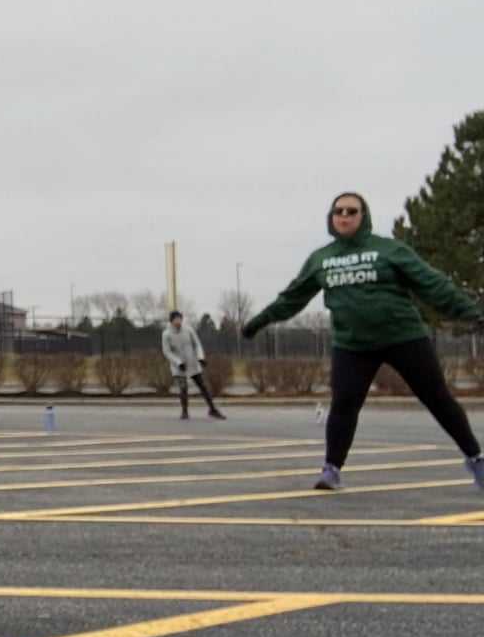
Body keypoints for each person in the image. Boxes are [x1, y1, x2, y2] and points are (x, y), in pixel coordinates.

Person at [243, 191, 484, 492]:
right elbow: (292, 297)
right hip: (352, 345)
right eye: (338, 211)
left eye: (351, 211)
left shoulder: (389, 250)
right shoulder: (322, 259)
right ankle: (331, 469)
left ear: (363, 216)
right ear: (331, 218)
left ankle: (475, 459)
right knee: (343, 405)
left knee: (438, 399)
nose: (344, 216)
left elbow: (431, 283)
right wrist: (259, 321)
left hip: (404, 337)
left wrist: (470, 314)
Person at [161, 310, 225, 421]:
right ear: (171, 321)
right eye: (175, 320)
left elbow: (197, 344)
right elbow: (167, 351)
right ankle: (184, 411)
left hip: (192, 363)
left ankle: (212, 409)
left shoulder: (188, 329)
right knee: (183, 388)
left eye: (179, 319)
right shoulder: (166, 334)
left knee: (203, 386)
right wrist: (178, 362)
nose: (178, 322)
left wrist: (200, 357)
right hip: (179, 367)